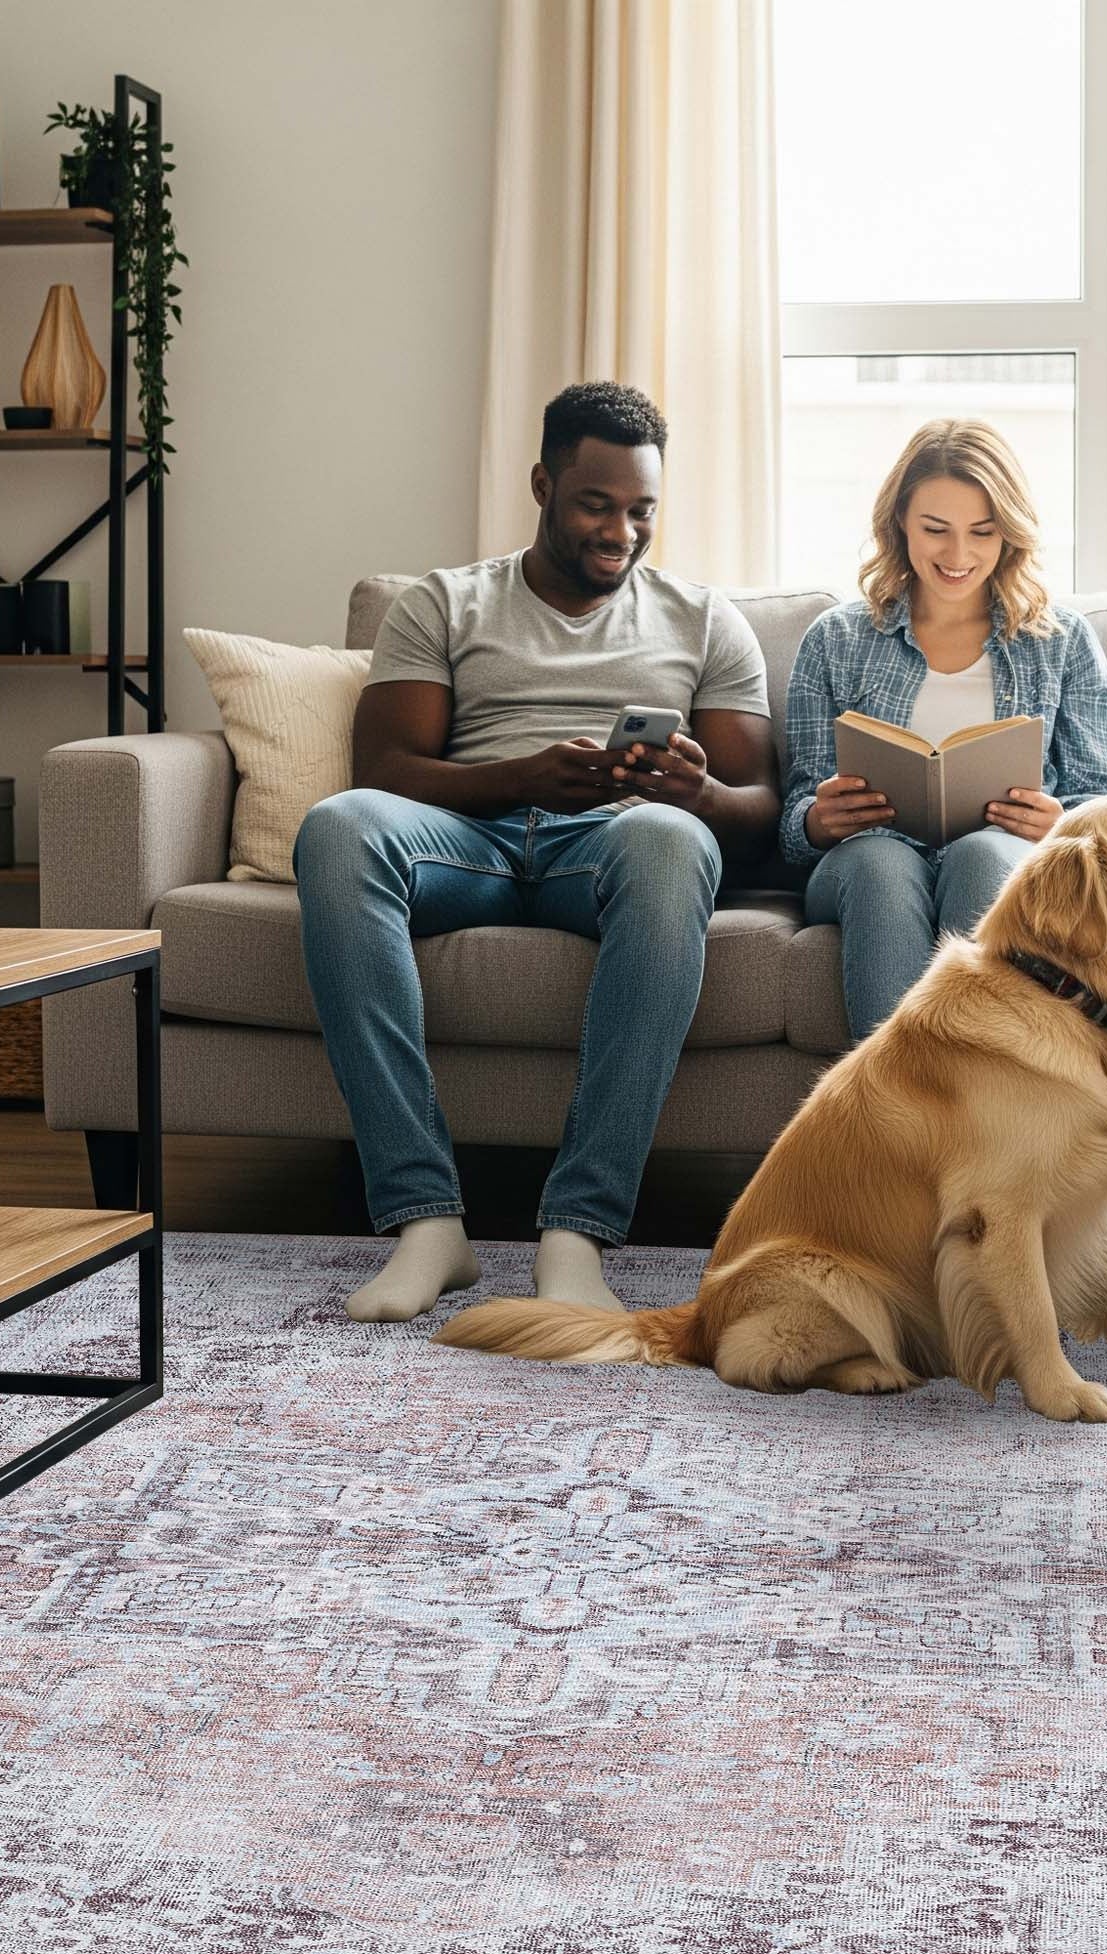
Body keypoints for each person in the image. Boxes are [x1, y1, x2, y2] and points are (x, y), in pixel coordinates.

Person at [294, 381, 779, 1323]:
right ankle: (425, 1221)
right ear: (542, 485)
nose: (621, 532)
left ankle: (579, 1231)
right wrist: (521, 777)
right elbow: (382, 766)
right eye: (596, 504)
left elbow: (761, 808)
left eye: (641, 510)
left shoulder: (703, 619)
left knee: (671, 840)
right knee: (339, 826)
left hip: (611, 845)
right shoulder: (441, 603)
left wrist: (698, 793)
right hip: (468, 838)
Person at [780, 418, 1107, 1041]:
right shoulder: (835, 639)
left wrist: (1060, 828)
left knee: (983, 855)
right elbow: (796, 817)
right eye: (935, 530)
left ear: (1009, 535)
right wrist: (815, 820)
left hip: (1000, 854)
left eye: (982, 533)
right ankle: (891, 1116)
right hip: (864, 863)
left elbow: (1101, 806)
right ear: (900, 525)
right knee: (882, 865)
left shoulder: (1063, 642)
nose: (958, 556)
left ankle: (976, 1115)